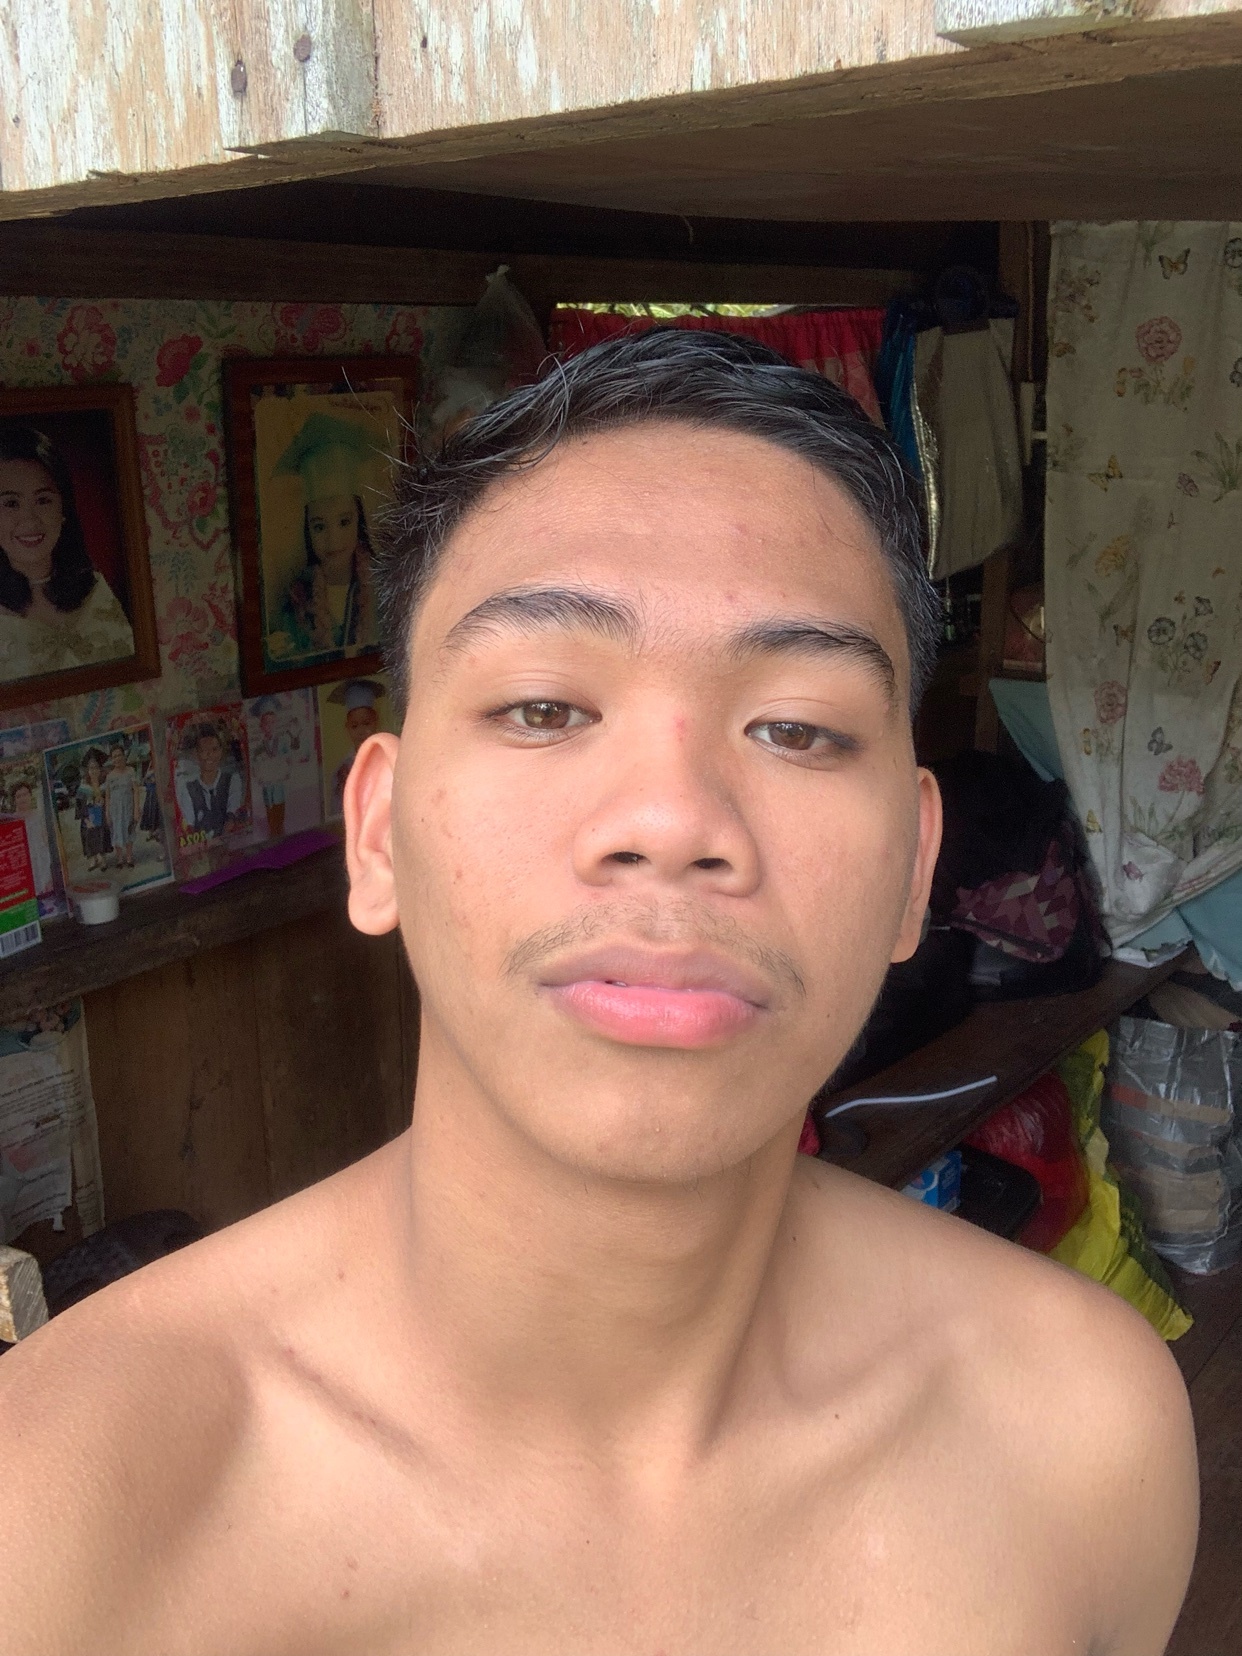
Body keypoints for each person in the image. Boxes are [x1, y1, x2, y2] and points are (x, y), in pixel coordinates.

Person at [0, 333, 1197, 1654]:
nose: (671, 820)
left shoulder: (1084, 1434)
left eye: (797, 726)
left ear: (913, 866)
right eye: (543, 708)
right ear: (379, 834)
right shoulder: (61, 1512)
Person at [0, 424, 135, 683]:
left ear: (63, 509)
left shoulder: (94, 589)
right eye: (11, 503)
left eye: (43, 500)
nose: (30, 520)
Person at [269, 413, 380, 662]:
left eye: (344, 522)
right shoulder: (295, 603)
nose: (333, 539)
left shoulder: (382, 591)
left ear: (359, 521)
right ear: (307, 530)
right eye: (319, 527)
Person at [173, 723, 244, 844]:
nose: (209, 755)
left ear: (221, 751)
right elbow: (189, 825)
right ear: (196, 754)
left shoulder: (233, 780)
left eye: (214, 750)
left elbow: (232, 816)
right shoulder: (188, 788)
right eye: (204, 751)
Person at [248, 694, 304, 838]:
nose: (270, 726)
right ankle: (272, 830)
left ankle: (280, 829)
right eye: (266, 723)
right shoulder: (259, 746)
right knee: (270, 806)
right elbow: (255, 763)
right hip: (267, 783)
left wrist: (286, 768)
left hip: (278, 781)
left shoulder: (282, 741)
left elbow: (289, 756)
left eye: (272, 722)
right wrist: (259, 774)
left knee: (279, 804)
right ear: (261, 726)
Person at [326, 677, 384, 816]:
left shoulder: (386, 757)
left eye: (366, 723)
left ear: (375, 722)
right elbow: (338, 811)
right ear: (347, 728)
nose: (361, 731)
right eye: (354, 726)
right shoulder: (343, 770)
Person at [103, 740, 140, 870]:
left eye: (119, 755)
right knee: (116, 833)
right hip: (115, 810)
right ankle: (119, 859)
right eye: (114, 756)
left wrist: (136, 809)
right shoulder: (109, 776)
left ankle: (129, 858)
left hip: (128, 807)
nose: (117, 758)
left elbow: (136, 791)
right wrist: (107, 813)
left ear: (124, 756)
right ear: (111, 759)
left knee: (129, 831)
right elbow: (107, 796)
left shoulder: (131, 771)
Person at [72, 747, 109, 873]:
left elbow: (109, 800)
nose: (93, 771)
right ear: (87, 771)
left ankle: (102, 858)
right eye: (91, 768)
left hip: (101, 815)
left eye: (96, 768)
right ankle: (93, 858)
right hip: (88, 816)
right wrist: (86, 819)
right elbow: (79, 805)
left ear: (100, 769)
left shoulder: (104, 784)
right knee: (89, 835)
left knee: (102, 835)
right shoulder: (83, 786)